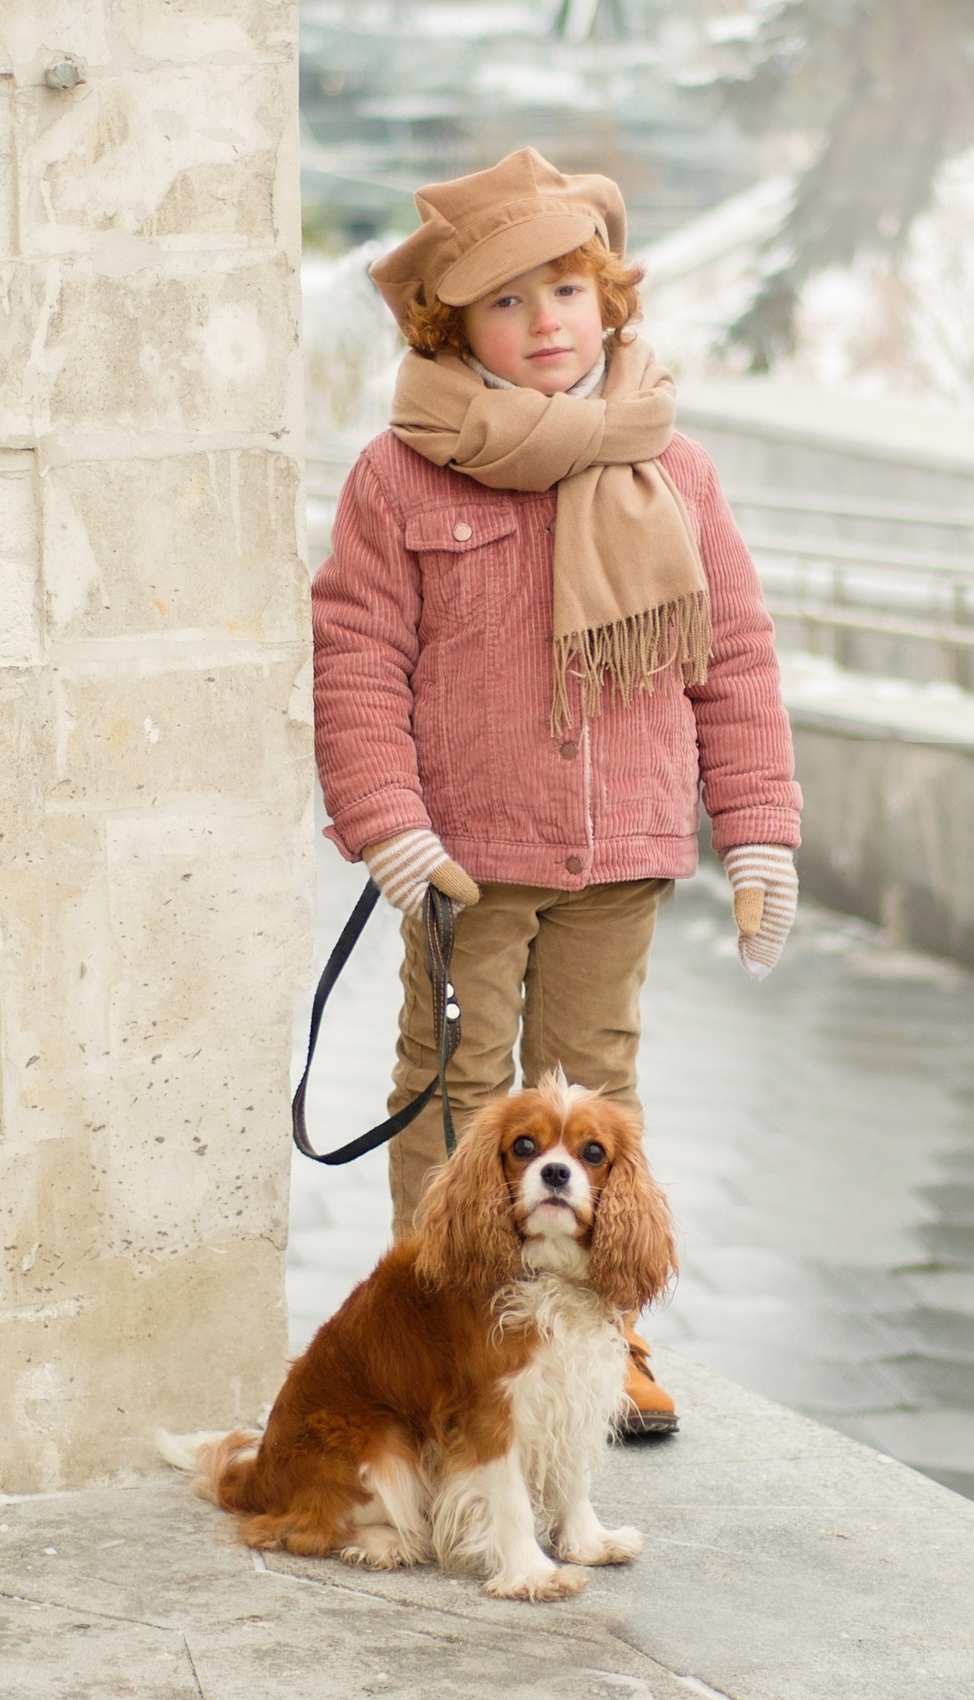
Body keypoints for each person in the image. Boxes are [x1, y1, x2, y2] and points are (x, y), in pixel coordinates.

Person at [310, 148, 802, 1435]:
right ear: (452, 324)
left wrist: (757, 837)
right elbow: (357, 657)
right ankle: (448, 1340)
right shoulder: (399, 476)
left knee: (598, 1112)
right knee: (463, 1102)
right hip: (465, 862)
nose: (545, 325)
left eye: (567, 294)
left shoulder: (673, 469)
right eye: (509, 303)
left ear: (610, 302)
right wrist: (390, 827)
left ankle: (598, 1337)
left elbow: (735, 657)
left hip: (621, 854)